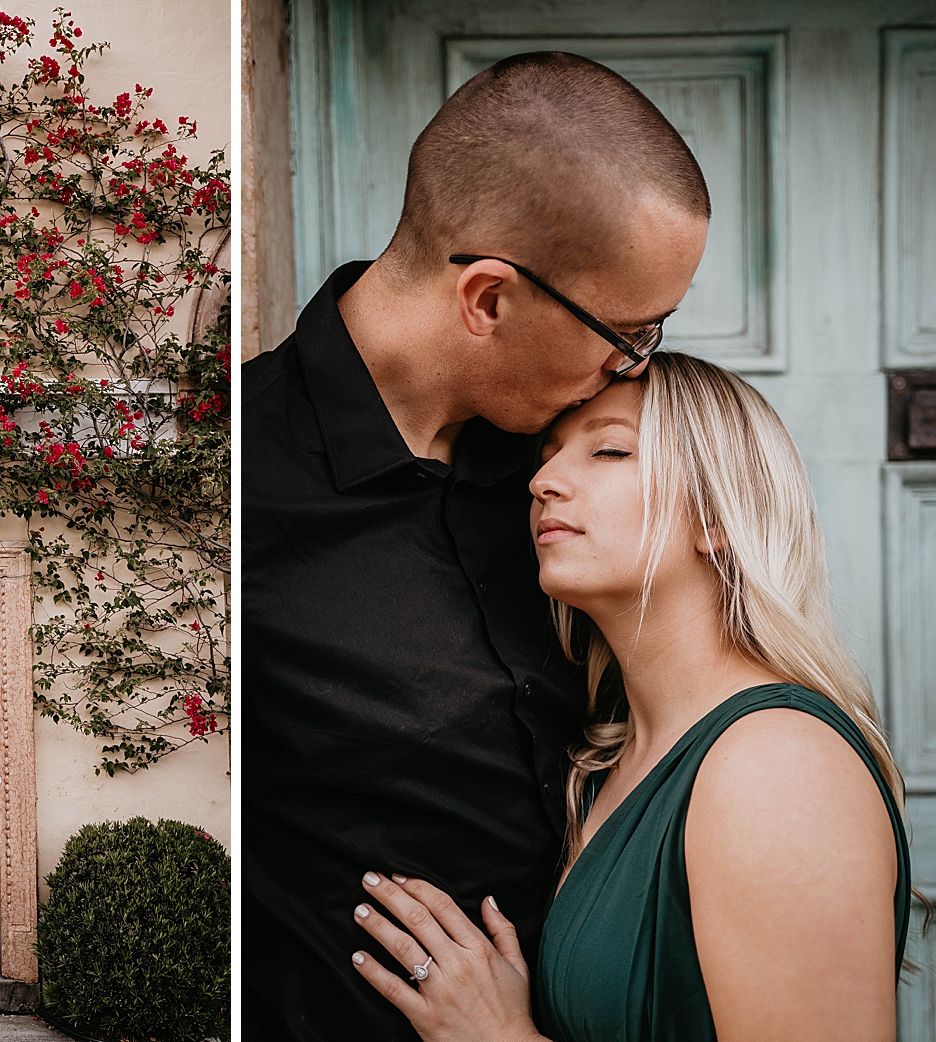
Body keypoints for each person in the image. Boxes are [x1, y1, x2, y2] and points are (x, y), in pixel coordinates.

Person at [243, 52, 709, 1040]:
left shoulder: (585, 469)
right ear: (487, 299)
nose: (631, 367)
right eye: (626, 332)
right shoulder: (227, 483)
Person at [347, 354, 912, 1042]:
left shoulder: (779, 765)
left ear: (715, 516)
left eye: (610, 450)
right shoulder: (610, 761)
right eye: (548, 454)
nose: (543, 481)